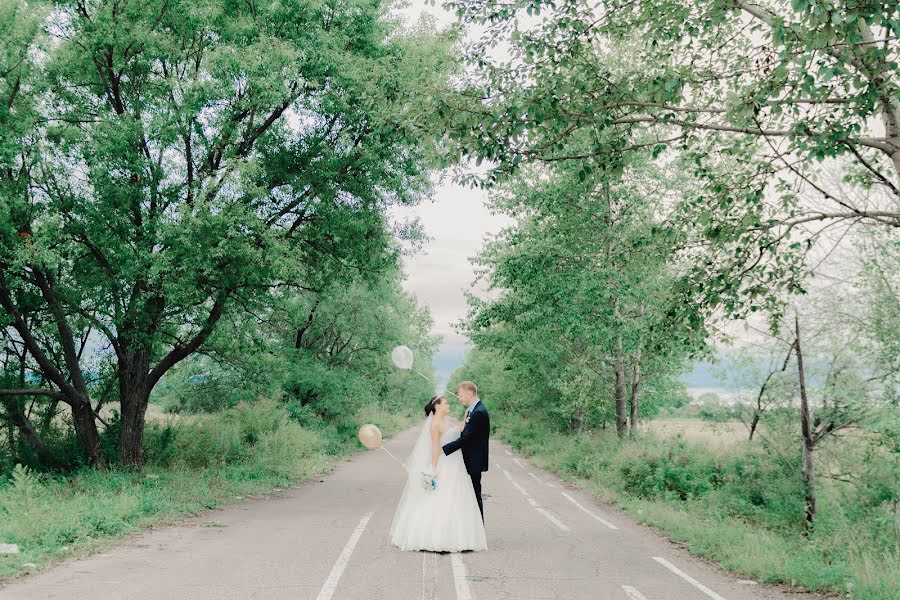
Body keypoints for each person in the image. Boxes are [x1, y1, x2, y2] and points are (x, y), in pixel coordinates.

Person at [389, 396, 487, 552]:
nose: (448, 404)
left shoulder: (447, 422)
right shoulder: (435, 425)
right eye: (446, 403)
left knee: (458, 498)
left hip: (457, 465)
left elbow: (460, 429)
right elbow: (435, 448)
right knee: (442, 498)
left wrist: (468, 416)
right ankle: (436, 537)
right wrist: (433, 470)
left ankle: (459, 537)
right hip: (445, 464)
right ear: (437, 406)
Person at [441, 381, 490, 521]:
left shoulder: (479, 412)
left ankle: (479, 530)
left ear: (469, 393)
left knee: (474, 496)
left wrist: (444, 449)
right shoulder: (473, 410)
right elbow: (466, 431)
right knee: (471, 496)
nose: (459, 397)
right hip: (471, 459)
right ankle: (474, 530)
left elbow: (468, 439)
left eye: (460, 394)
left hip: (474, 461)